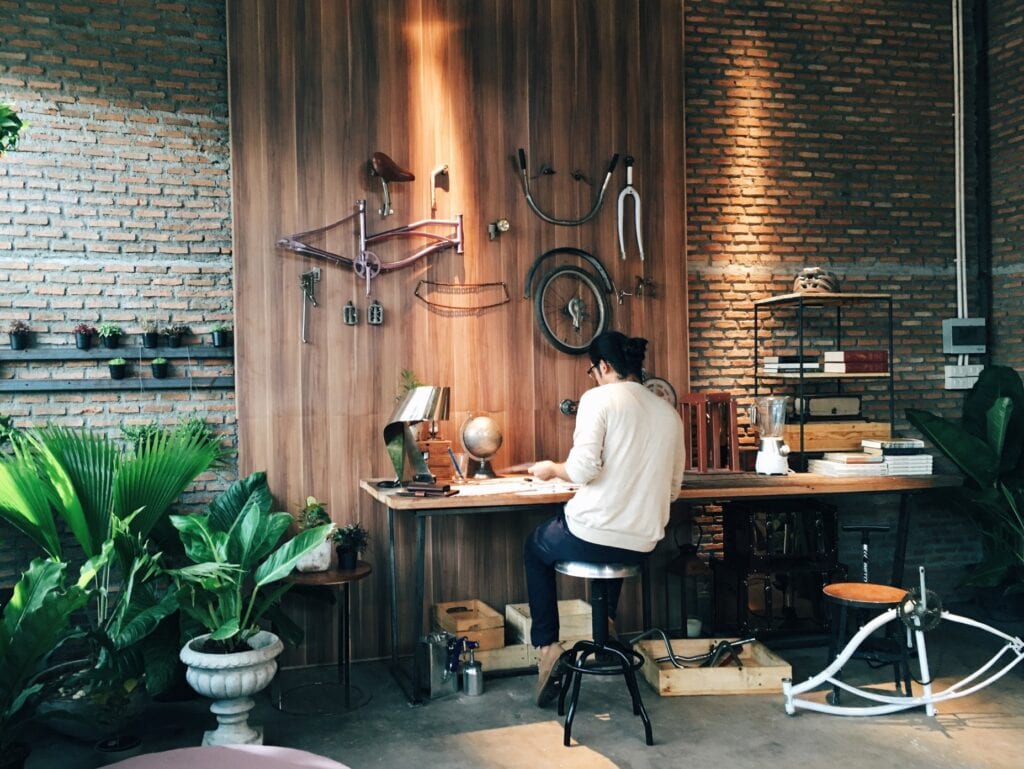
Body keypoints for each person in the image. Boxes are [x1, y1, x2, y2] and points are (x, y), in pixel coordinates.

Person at [525, 331, 686, 706]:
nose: (594, 376)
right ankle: (606, 627)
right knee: (616, 542)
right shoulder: (668, 412)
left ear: (605, 366)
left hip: (592, 535)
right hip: (643, 544)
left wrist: (551, 468)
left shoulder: (598, 398)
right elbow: (673, 489)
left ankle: (547, 649)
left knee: (535, 546)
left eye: (593, 370)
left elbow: (582, 470)